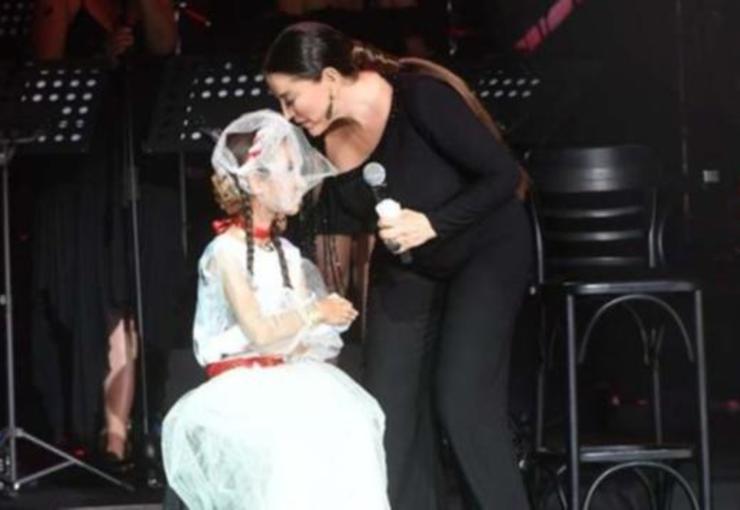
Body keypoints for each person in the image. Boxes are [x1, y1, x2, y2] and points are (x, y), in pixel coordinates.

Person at [264, 22, 532, 510]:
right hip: (410, 262)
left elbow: (503, 176)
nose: (288, 114)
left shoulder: (419, 98)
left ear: (329, 78)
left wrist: (434, 223)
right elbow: (327, 230)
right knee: (388, 407)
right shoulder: (322, 141)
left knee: (462, 400)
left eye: (290, 98)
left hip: (486, 248)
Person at [161, 110, 390, 510]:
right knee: (285, 445)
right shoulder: (226, 251)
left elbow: (300, 339)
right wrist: (316, 314)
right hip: (242, 385)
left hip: (288, 375)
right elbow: (260, 331)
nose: (301, 180)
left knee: (350, 426)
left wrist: (318, 328)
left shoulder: (286, 252)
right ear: (255, 181)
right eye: (290, 169)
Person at [29, 0, 176, 464]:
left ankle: (118, 436)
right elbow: (45, 75)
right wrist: (99, 60)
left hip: (133, 156)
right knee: (88, 295)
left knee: (127, 294)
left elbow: (165, 44)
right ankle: (83, 426)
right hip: (82, 166)